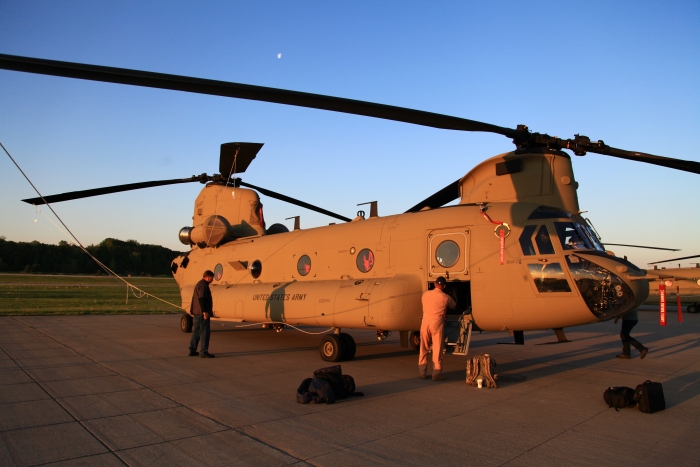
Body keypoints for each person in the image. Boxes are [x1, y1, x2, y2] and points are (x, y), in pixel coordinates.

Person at [418, 276, 456, 381]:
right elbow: (454, 306)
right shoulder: (446, 297)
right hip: (437, 324)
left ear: (434, 284)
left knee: (423, 348)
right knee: (437, 349)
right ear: (444, 286)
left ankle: (422, 372)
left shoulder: (425, 294)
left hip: (425, 323)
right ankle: (436, 374)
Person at [189, 270, 216, 358]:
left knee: (196, 331)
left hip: (197, 312)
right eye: (212, 277)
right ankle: (203, 351)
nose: (213, 279)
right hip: (201, 313)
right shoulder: (203, 285)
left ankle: (192, 349)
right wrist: (204, 311)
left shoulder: (200, 284)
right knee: (204, 332)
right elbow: (202, 299)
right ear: (207, 277)